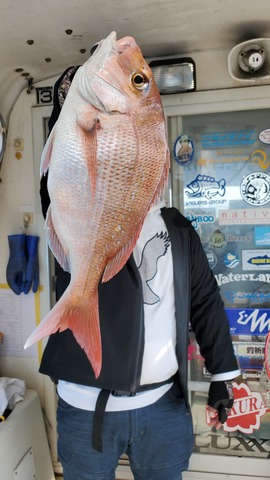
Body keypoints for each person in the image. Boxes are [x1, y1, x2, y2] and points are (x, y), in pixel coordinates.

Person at [39, 64, 240, 480]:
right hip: (84, 408)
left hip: (163, 409)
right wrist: (69, 104)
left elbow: (204, 303)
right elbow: (62, 171)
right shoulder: (78, 200)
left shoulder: (179, 229)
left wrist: (222, 374)